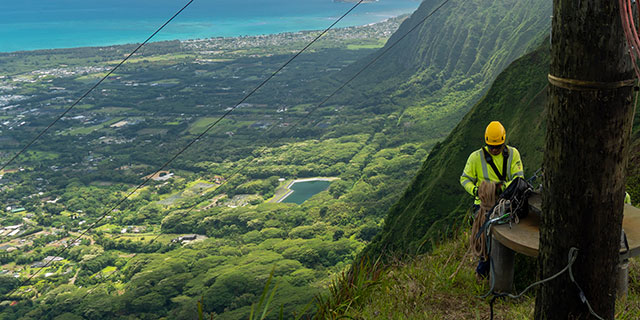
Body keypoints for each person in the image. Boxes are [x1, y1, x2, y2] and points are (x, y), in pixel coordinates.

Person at [460, 121, 524, 278]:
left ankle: (493, 273)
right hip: (484, 207)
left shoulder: (513, 154)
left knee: (503, 239)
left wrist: (500, 189)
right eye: (491, 147)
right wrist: (476, 191)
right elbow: (465, 179)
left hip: (506, 204)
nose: (494, 150)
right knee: (485, 241)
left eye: (498, 146)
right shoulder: (475, 158)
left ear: (504, 142)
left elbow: (519, 179)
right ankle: (483, 272)